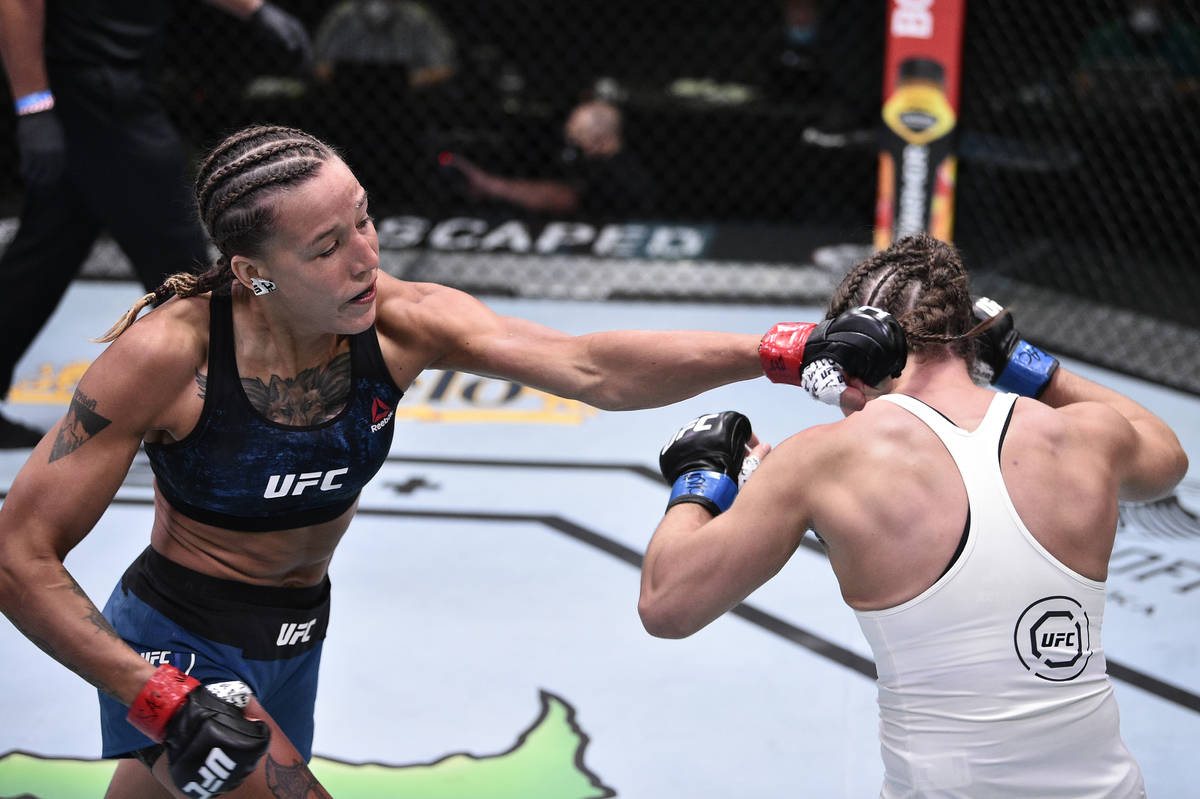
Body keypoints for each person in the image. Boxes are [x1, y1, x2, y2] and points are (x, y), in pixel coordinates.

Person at [0, 124, 809, 798]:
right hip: (181, 641)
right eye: (326, 246)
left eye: (364, 219)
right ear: (255, 273)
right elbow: (17, 552)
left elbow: (590, 366)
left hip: (295, 639)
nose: (364, 257)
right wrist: (161, 695)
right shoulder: (170, 358)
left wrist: (777, 350)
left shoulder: (400, 320)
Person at [639, 233, 1188, 798]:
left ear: (854, 348)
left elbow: (667, 606)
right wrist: (1031, 370)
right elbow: (1166, 457)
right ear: (967, 339)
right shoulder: (1085, 434)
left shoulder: (823, 459)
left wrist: (698, 482)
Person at [0, 0, 313, 449]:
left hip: (109, 85)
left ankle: (216, 399)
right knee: (180, 256)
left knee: (44, 254)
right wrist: (33, 106)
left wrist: (255, 10)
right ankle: (221, 408)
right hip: (97, 93)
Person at [443, 98, 657, 218]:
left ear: (601, 139)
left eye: (578, 139)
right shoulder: (590, 164)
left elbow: (564, 198)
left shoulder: (621, 175)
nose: (571, 146)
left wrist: (492, 186)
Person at [312, 0, 458, 90]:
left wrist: (404, 82)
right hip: (348, 99)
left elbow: (444, 68)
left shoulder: (418, 18)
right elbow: (319, 64)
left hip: (409, 102)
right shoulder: (342, 16)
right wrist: (352, 82)